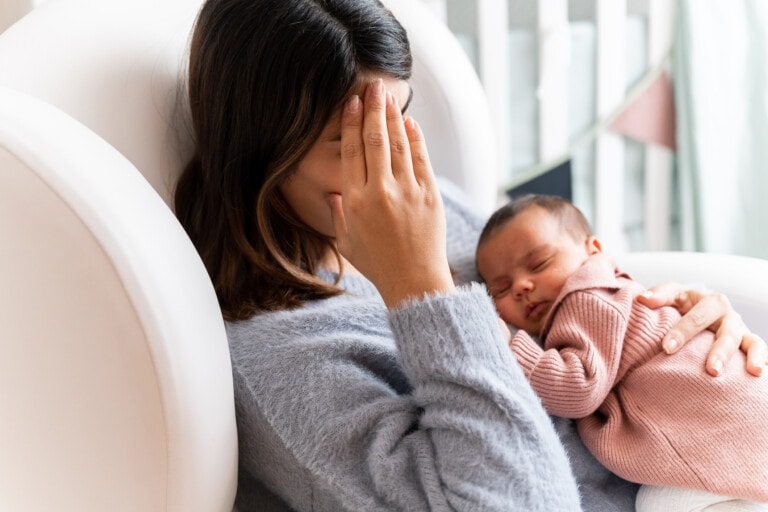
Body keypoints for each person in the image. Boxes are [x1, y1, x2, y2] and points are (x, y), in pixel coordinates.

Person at [174, 0, 767, 510]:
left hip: (699, 457)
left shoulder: (427, 206)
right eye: (356, 141)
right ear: (265, 156)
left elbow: (567, 286)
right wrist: (421, 290)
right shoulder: (283, 360)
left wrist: (674, 317)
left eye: (399, 116)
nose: (399, 157)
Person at [475, 194, 768, 511]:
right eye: (500, 289)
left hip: (724, 429)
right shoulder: (620, 295)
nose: (521, 286)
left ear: (593, 251)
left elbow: (579, 387)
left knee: (662, 503)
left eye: (539, 264)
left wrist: (508, 348)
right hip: (740, 415)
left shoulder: (586, 296)